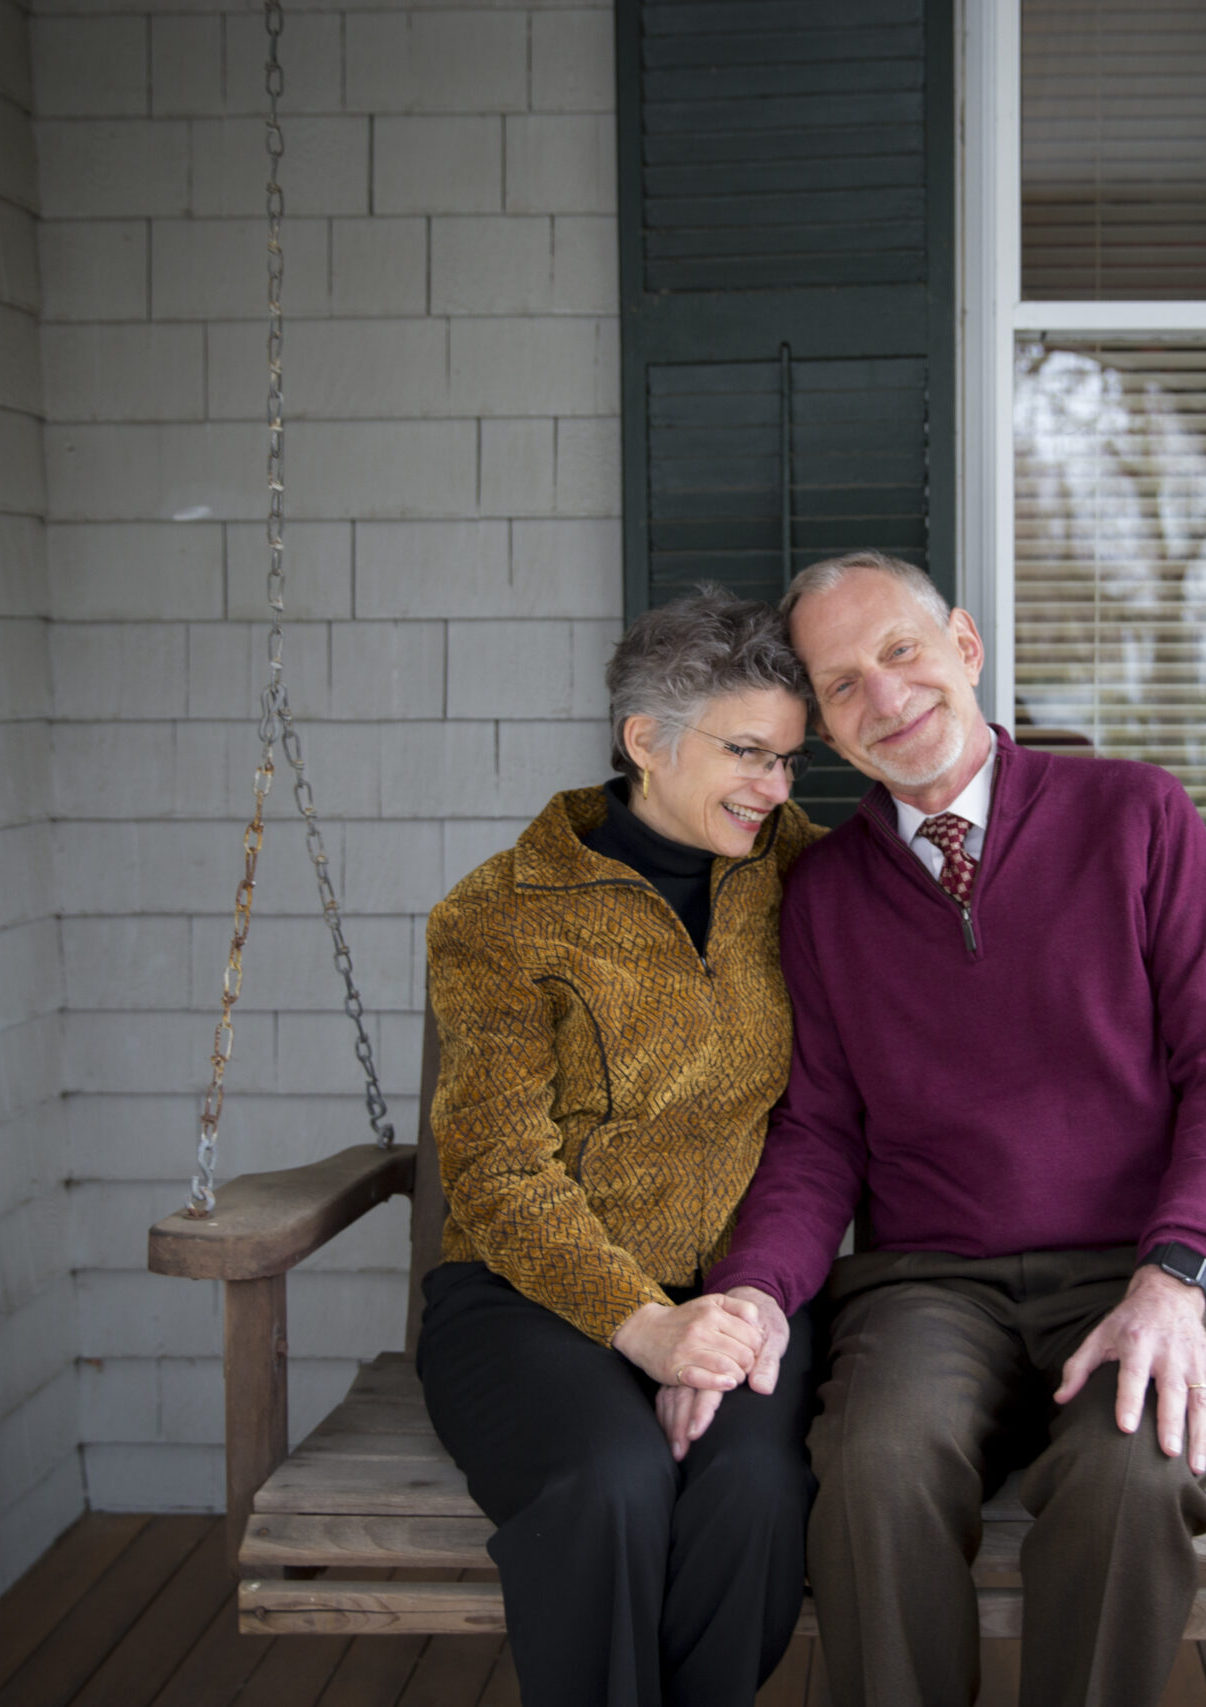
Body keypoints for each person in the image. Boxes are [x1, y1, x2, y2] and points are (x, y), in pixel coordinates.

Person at [675, 551, 1206, 1707]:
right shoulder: (823, 896)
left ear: (963, 645)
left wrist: (1175, 1276)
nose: (885, 698)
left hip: (1139, 1268)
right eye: (841, 684)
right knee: (870, 1466)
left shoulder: (1135, 816)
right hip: (929, 1286)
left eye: (899, 652)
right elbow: (818, 1135)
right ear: (821, 728)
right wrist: (754, 1290)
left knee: (1132, 1479)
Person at [416, 587, 826, 1707]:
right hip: (525, 1300)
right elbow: (498, 1172)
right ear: (646, 740)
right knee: (609, 1483)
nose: (776, 790)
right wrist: (643, 1324)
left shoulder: (810, 875)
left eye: (791, 762)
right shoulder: (500, 916)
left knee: (753, 1489)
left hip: (744, 1293)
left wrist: (727, 1312)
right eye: (749, 754)